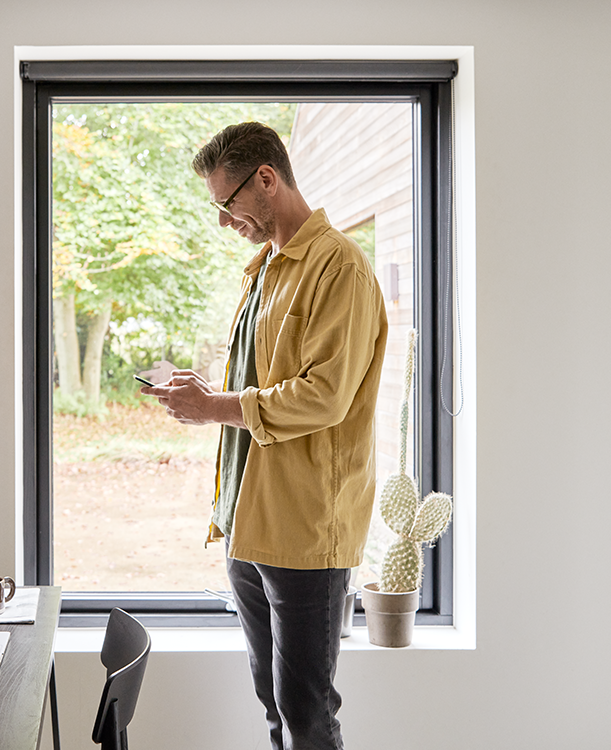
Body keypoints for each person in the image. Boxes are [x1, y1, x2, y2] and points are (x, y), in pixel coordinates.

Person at [140, 122, 388, 750]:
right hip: (249, 521)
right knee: (274, 703)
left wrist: (214, 405)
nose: (224, 221)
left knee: (306, 711)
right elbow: (264, 376)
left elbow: (324, 396)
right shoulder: (267, 268)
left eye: (227, 204)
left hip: (304, 529)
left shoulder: (340, 267)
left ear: (267, 180)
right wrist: (207, 392)